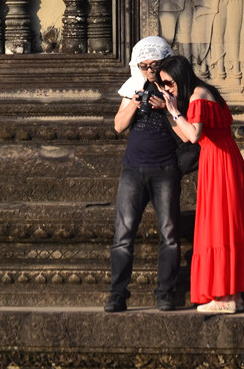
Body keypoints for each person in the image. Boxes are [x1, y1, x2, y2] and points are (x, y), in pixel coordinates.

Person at [157, 53, 244, 312]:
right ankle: (233, 295)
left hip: (219, 163)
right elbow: (189, 137)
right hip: (224, 160)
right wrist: (169, 113)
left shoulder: (199, 97)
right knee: (227, 224)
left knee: (219, 225)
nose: (168, 88)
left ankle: (224, 297)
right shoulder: (206, 92)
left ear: (179, 76)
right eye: (164, 84)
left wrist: (174, 109)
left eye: (169, 82)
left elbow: (193, 133)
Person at [105, 35, 181, 312]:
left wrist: (168, 108)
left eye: (155, 64)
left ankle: (166, 292)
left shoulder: (176, 89)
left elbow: (186, 133)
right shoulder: (133, 87)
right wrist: (137, 103)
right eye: (144, 65)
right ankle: (117, 293)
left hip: (165, 168)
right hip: (133, 169)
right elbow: (118, 126)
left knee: (170, 234)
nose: (150, 71)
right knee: (123, 235)